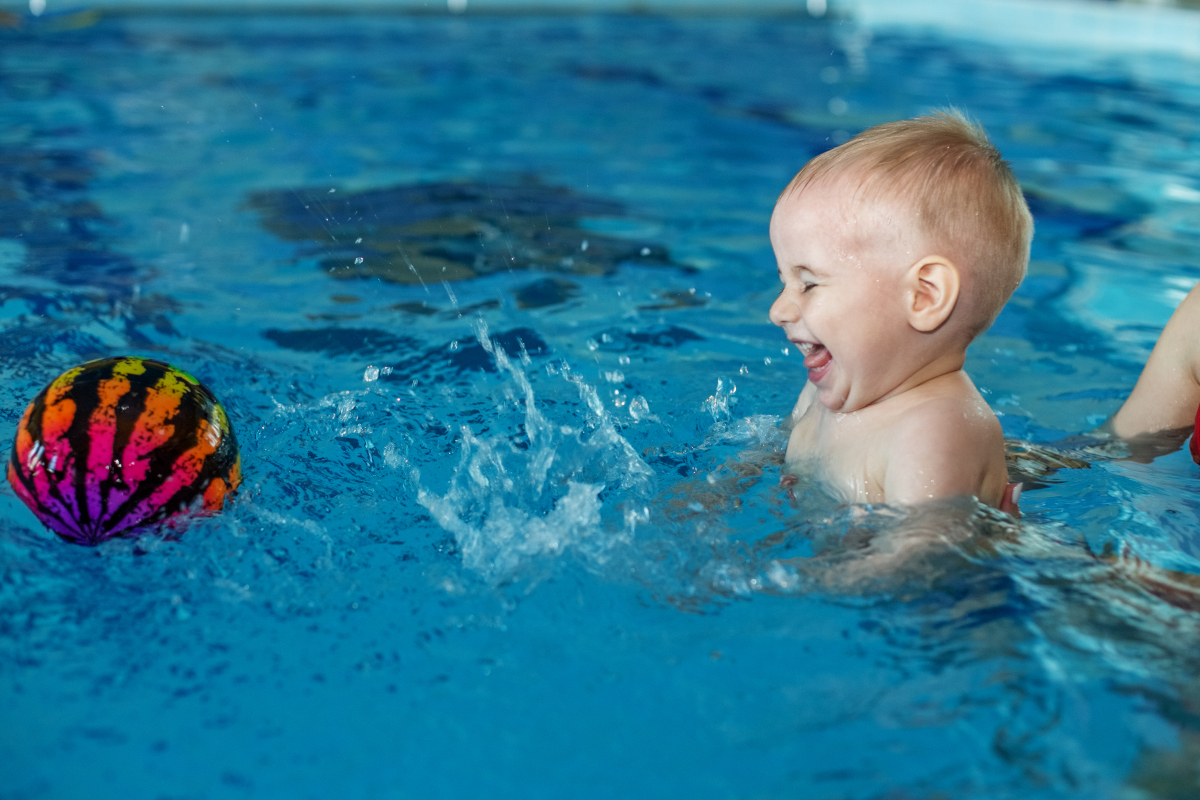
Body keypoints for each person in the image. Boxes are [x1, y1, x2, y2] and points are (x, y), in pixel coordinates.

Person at [769, 109, 1032, 511]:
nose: (779, 310)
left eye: (809, 283)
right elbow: (767, 457)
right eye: (784, 282)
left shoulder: (935, 431)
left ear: (924, 295)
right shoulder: (825, 390)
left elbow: (918, 561)